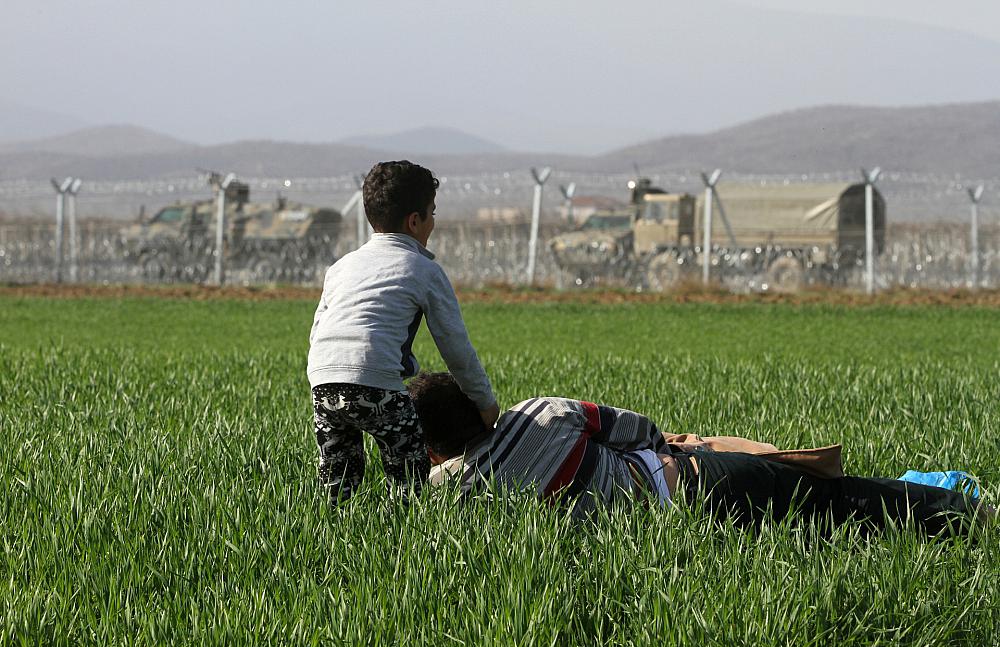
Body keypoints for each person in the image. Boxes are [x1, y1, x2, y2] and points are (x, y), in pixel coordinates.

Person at [409, 372, 992, 533]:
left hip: (675, 527)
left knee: (825, 525)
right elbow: (638, 430)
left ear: (432, 449)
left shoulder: (450, 496)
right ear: (476, 404)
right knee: (843, 500)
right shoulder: (540, 413)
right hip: (691, 482)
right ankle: (972, 514)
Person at [307, 162, 499, 502]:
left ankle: (332, 533)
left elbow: (320, 330)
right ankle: (401, 537)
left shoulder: (341, 267)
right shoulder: (423, 269)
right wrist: (484, 402)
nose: (433, 222)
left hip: (322, 382)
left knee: (338, 479)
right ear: (415, 221)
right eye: (432, 213)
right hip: (375, 384)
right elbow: (454, 346)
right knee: (408, 474)